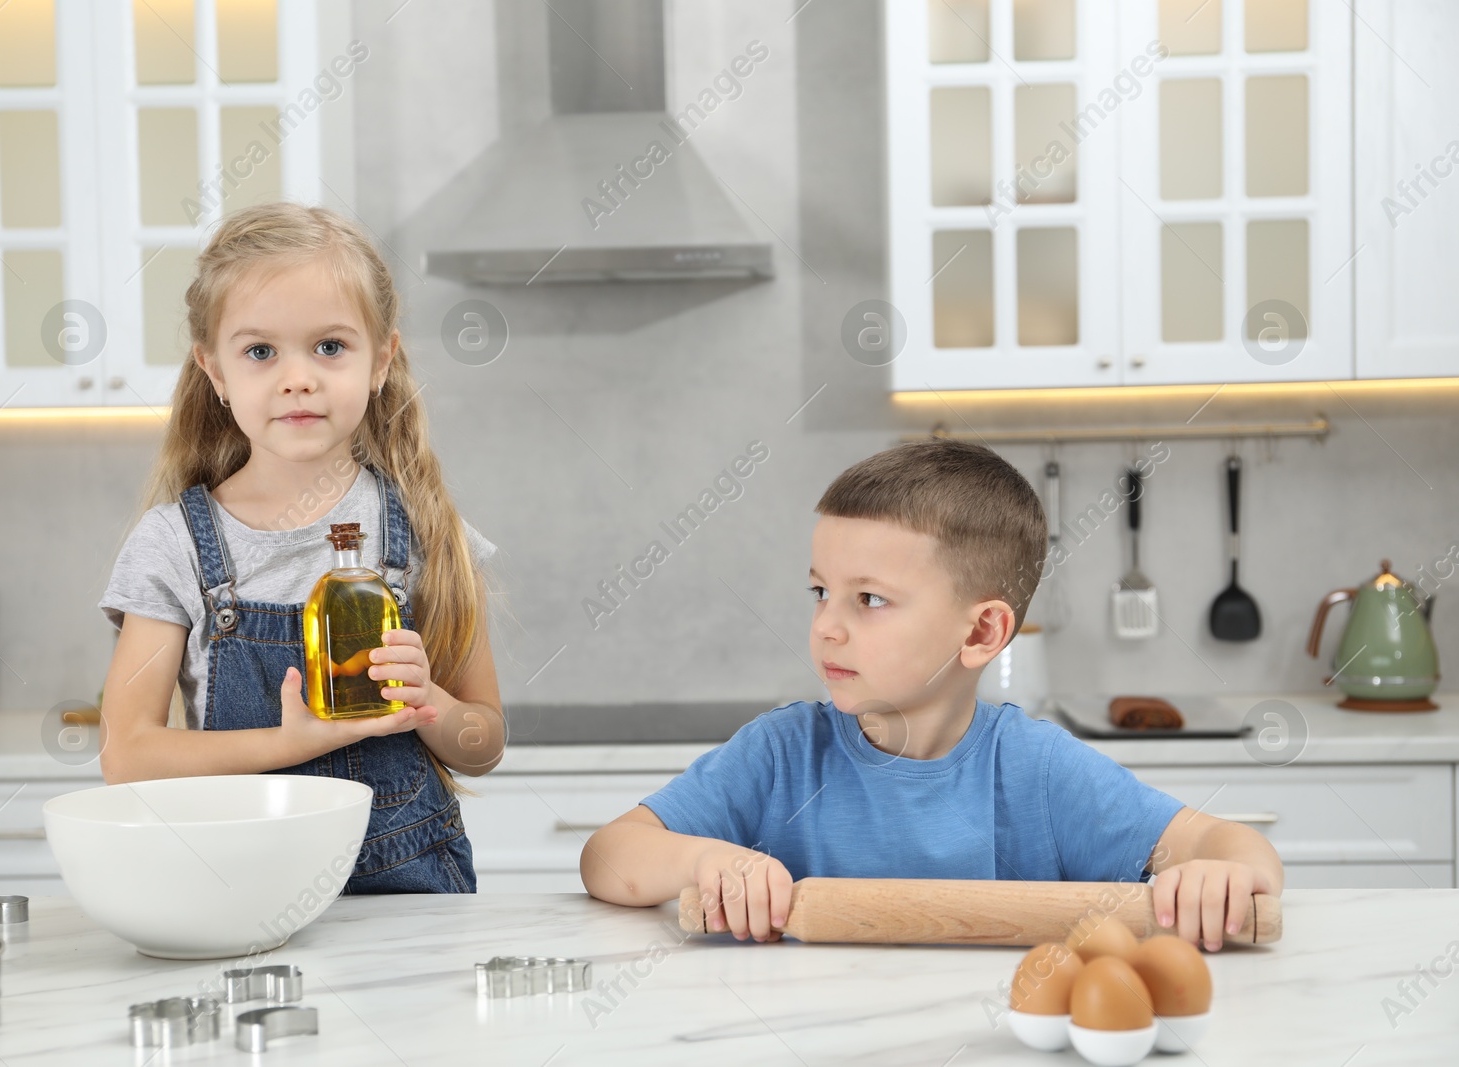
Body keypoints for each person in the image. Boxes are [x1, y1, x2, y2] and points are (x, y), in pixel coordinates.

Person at [581, 439, 1282, 950]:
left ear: (981, 631)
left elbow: (1231, 845)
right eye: (821, 590)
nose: (826, 625)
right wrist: (704, 861)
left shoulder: (1037, 770)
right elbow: (610, 854)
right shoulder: (782, 754)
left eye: (870, 600)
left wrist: (1221, 872)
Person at [98, 202, 503, 894]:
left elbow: (484, 741)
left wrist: (429, 698)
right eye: (260, 351)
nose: (298, 377)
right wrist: (289, 744)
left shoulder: (427, 527)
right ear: (214, 370)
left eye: (330, 347)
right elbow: (127, 752)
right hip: (238, 888)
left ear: (381, 361)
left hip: (408, 898)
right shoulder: (174, 545)